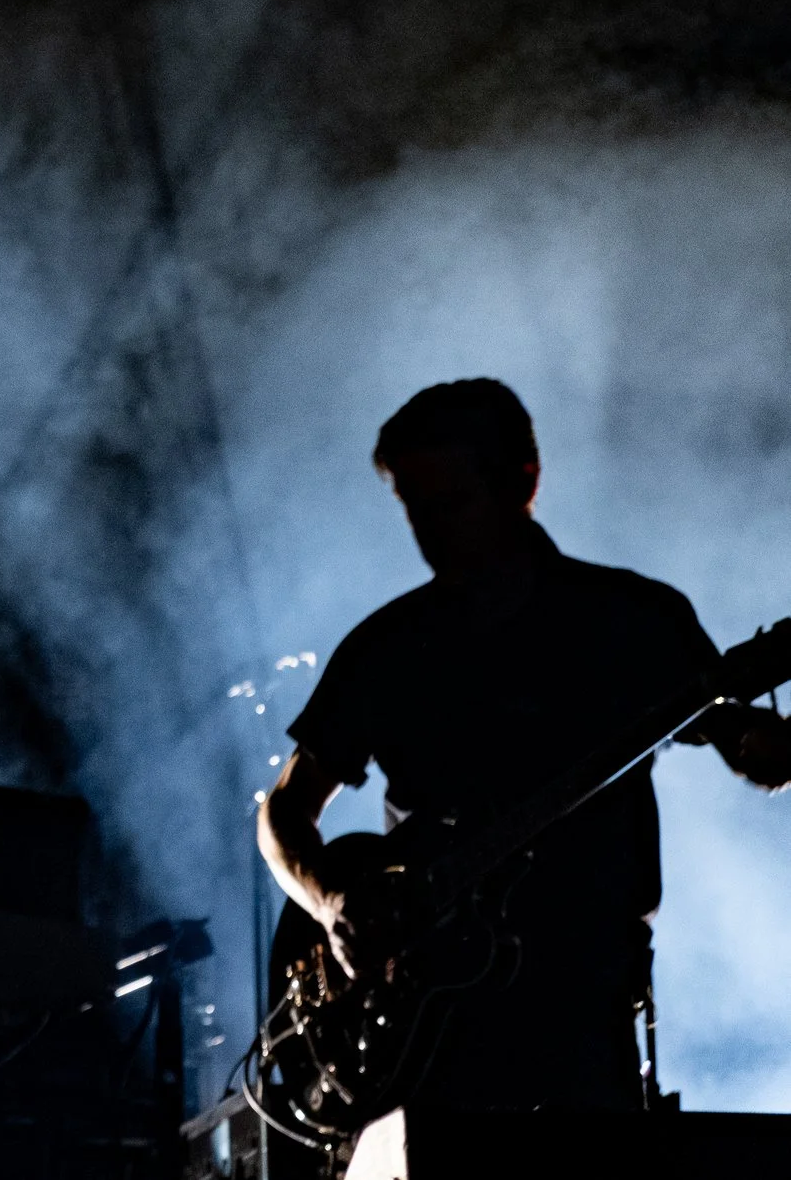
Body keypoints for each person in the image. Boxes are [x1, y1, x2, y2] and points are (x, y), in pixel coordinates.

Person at [257, 379, 791, 1112]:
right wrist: (330, 900)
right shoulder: (388, 648)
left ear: (523, 482)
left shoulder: (632, 620)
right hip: (433, 1020)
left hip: (585, 1002)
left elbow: (752, 745)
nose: (431, 532)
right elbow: (284, 811)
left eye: (451, 503)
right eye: (415, 509)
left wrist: (772, 745)